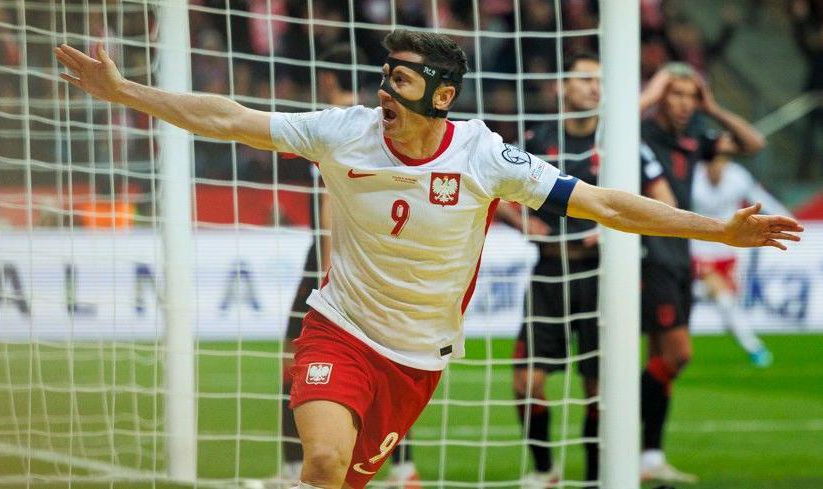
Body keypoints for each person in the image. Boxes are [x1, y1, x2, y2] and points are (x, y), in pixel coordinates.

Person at [54, 30, 802, 489]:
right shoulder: (343, 129)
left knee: (343, 479)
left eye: (400, 80)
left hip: (417, 357)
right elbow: (230, 119)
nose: (383, 90)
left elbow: (607, 203)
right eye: (384, 77)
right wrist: (128, 93)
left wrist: (716, 229)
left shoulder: (484, 154)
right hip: (338, 326)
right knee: (318, 465)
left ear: (441, 95)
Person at [276, 45, 421, 488]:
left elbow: (328, 203)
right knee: (392, 359)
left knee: (297, 361)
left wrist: (327, 269)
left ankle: (291, 468)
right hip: (381, 247)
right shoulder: (379, 121)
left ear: (323, 79)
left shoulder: (337, 125)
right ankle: (402, 467)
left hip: (337, 253)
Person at [637, 62, 768, 484]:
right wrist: (653, 90)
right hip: (648, 253)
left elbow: (753, 142)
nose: (683, 104)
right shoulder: (639, 133)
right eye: (675, 94)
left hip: (679, 255)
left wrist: (713, 107)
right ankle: (625, 436)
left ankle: (649, 455)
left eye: (690, 96)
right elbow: (612, 125)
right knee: (678, 355)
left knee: (661, 359)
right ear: (660, 97)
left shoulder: (695, 138)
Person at [502, 52, 601, 488]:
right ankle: (544, 474)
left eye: (600, 81)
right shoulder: (539, 138)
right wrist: (524, 221)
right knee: (525, 381)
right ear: (563, 86)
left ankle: (602, 478)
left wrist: (613, 232)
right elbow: (500, 189)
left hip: (601, 276)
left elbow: (654, 197)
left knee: (600, 386)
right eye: (585, 79)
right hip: (548, 273)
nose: (594, 88)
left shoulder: (617, 141)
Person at [691, 132, 793, 368]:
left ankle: (752, 348)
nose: (718, 165)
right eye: (714, 160)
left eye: (723, 160)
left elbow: (761, 200)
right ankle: (755, 349)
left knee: (725, 304)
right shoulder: (692, 178)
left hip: (727, 254)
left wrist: (787, 219)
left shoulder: (737, 177)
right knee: (723, 298)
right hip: (695, 253)